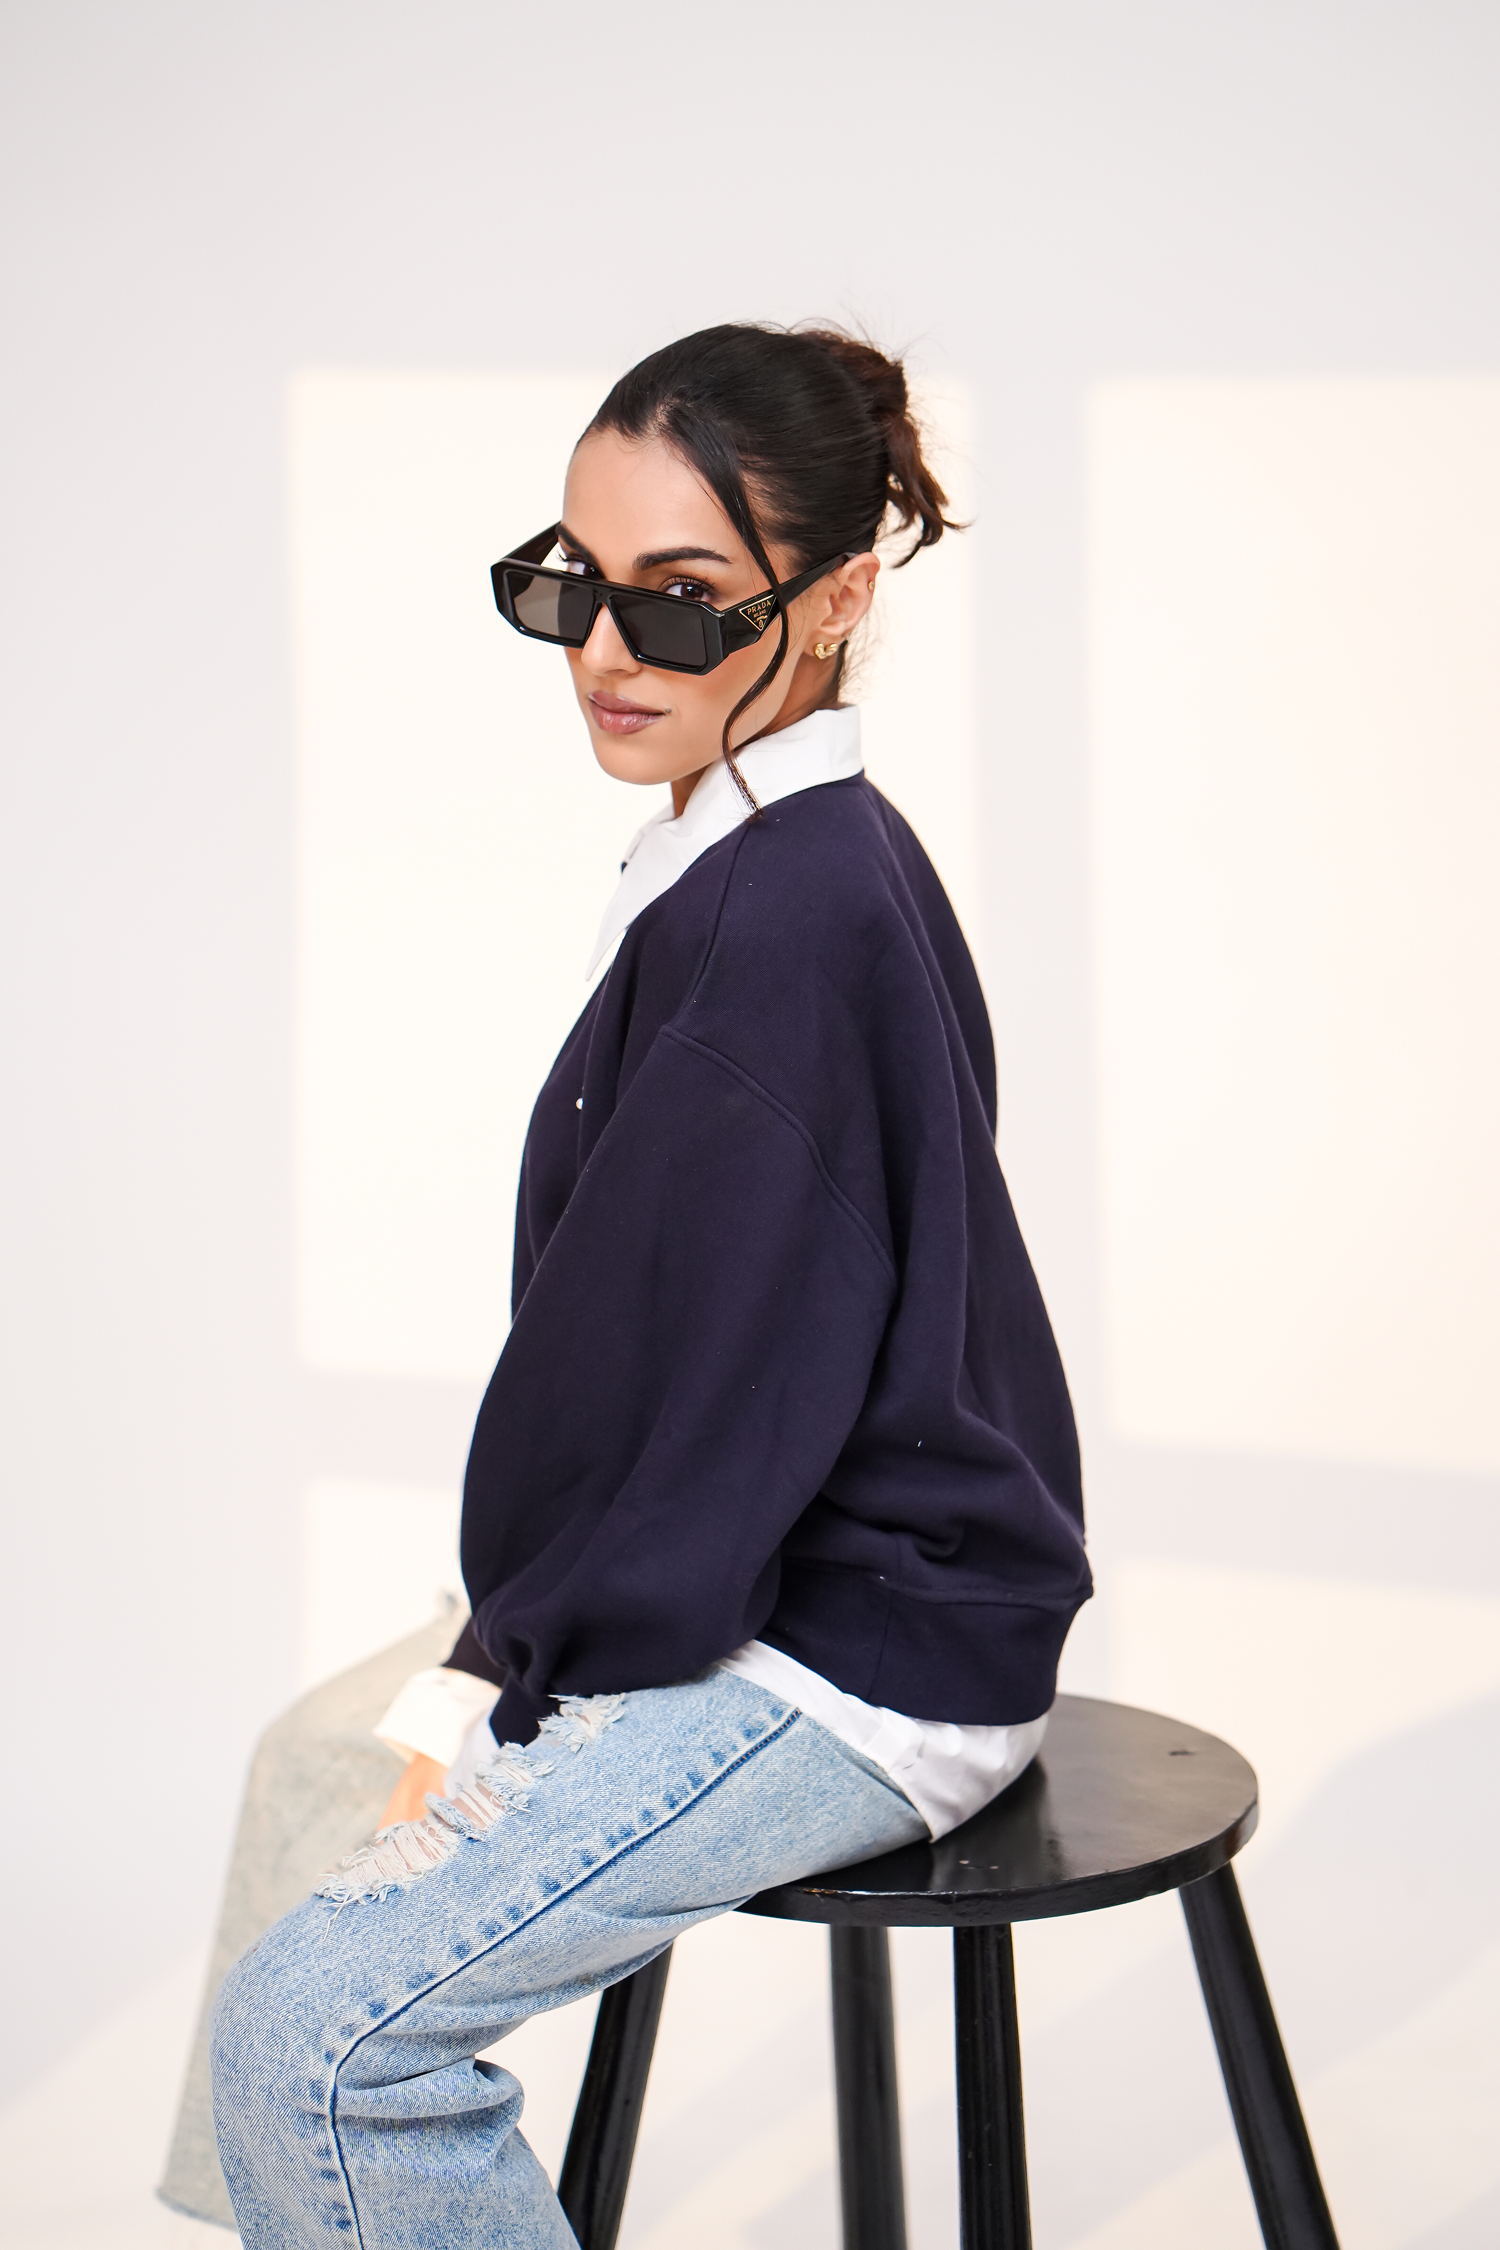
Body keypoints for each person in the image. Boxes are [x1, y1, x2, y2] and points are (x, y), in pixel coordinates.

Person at [208, 322, 1091, 2248]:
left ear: (838, 597)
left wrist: (508, 1670)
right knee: (305, 1783)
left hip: (859, 1644)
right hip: (785, 1551)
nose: (609, 651)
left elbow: (702, 1397)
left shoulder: (789, 914)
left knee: (314, 2039)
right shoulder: (750, 842)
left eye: (681, 601)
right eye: (572, 585)